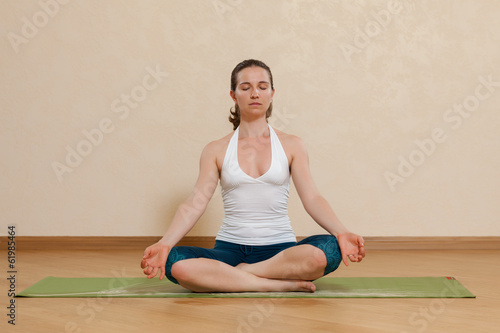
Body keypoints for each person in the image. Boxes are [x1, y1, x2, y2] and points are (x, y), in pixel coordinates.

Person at [140, 59, 365, 293]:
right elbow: (195, 203)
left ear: (272, 93)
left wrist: (341, 231)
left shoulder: (292, 145)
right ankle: (274, 284)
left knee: (326, 251)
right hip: (229, 251)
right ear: (233, 95)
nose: (255, 93)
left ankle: (235, 276)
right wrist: (165, 243)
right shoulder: (216, 149)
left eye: (262, 87)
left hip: (280, 253)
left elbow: (313, 198)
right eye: (246, 87)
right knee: (175, 262)